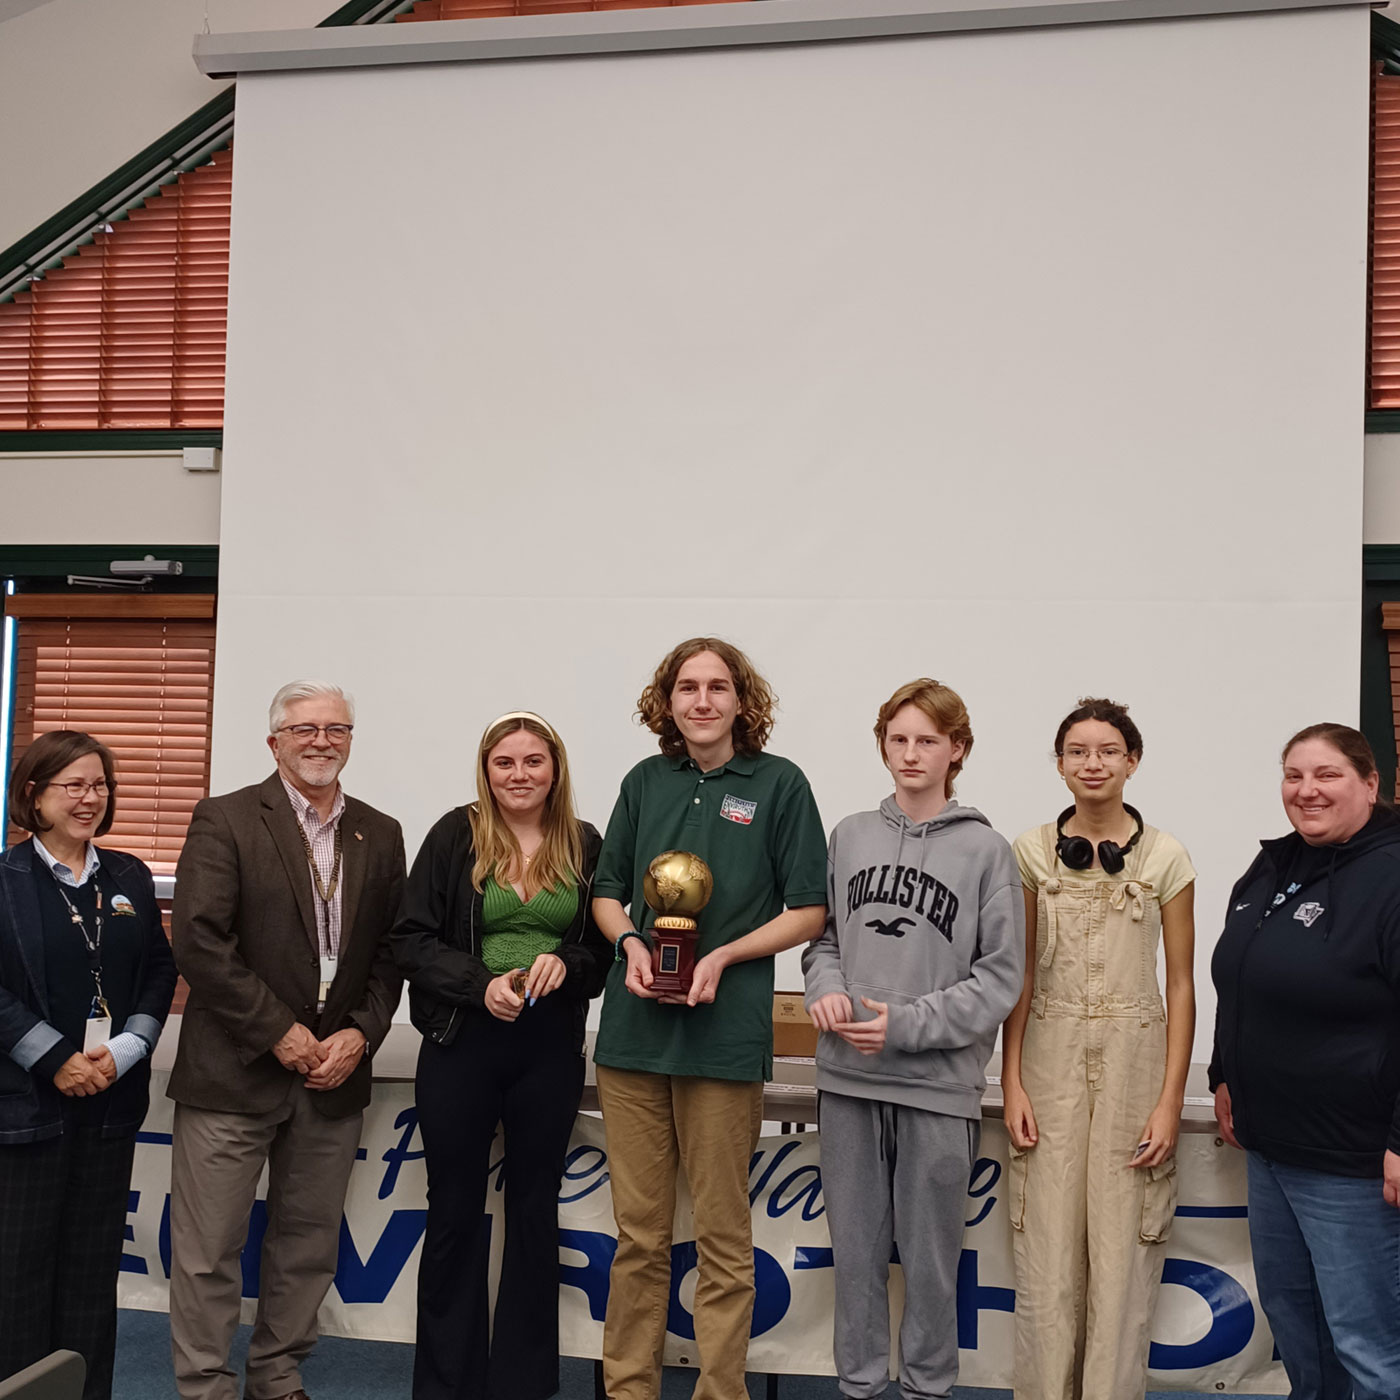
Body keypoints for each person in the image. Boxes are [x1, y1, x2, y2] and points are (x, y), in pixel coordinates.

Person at [591, 637, 827, 1400]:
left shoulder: (780, 784)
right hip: (632, 1042)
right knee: (638, 1239)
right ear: (666, 702)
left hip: (724, 1043)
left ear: (740, 700)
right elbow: (607, 889)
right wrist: (629, 943)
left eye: (717, 686)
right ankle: (628, 1388)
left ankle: (720, 1391)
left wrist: (722, 957)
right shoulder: (642, 782)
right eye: (686, 687)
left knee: (724, 1239)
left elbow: (810, 911)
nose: (701, 700)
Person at [167, 680, 405, 1400]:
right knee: (209, 1252)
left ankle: (277, 1375)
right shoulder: (227, 819)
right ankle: (205, 1385)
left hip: (333, 1078)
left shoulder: (380, 831)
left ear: (352, 740)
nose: (322, 741)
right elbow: (199, 942)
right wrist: (279, 1032)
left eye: (336, 728)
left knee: (306, 1245)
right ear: (274, 741)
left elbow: (394, 951)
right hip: (234, 1073)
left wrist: (362, 1034)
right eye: (304, 729)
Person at [803, 679, 1024, 1400]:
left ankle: (929, 1388)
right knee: (857, 1259)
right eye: (898, 739)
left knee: (931, 1264)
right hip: (847, 1081)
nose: (910, 753)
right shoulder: (850, 836)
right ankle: (860, 1387)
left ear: (957, 749)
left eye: (927, 739)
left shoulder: (988, 851)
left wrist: (905, 1026)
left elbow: (999, 980)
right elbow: (823, 942)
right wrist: (825, 989)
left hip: (935, 1086)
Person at [389, 711, 610, 1400]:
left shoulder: (584, 842)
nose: (519, 775)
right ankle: (446, 1384)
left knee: (535, 1210)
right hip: (462, 1043)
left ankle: (522, 1383)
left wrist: (566, 964)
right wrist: (480, 987)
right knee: (453, 1209)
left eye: (533, 762)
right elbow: (412, 940)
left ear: (556, 769)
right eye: (504, 763)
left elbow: (603, 951)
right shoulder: (456, 835)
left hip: (547, 1048)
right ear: (486, 770)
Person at [1000, 698, 1195, 1400]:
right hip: (1048, 1060)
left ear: (1131, 761)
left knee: (1120, 1261)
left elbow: (1180, 984)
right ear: (1059, 764)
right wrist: (1011, 1082)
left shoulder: (1166, 855)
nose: (1093, 763)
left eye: (1108, 750)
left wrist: (1169, 1102)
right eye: (1078, 751)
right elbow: (1017, 976)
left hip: (1135, 1061)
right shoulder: (1027, 852)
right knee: (1047, 1257)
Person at [1210, 723, 1400, 1400]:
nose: (1306, 790)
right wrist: (1221, 1074)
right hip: (1270, 1152)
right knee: (1302, 1337)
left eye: (1327, 775)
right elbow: (1239, 975)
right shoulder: (1273, 866)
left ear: (1371, 784)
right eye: (1294, 775)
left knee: (1371, 1347)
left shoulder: (1391, 875)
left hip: (1353, 1165)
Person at [0, 730, 176, 1400]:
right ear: (33, 796)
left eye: (98, 784)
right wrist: (54, 1059)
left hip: (107, 1106)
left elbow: (160, 969)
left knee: (88, 1276)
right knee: (18, 1279)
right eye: (72, 785)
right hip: (26, 1110)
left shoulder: (127, 874)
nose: (89, 798)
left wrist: (129, 1048)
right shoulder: (6, 878)